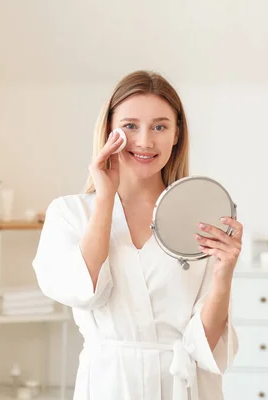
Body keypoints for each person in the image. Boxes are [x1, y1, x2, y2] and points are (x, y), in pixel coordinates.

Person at [32, 70, 241, 400]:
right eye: (130, 126)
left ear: (176, 135)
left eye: (160, 126)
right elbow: (83, 291)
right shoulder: (70, 214)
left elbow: (206, 342)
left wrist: (225, 270)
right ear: (109, 130)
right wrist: (104, 197)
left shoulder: (202, 219)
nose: (145, 140)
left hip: (182, 388)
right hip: (109, 384)